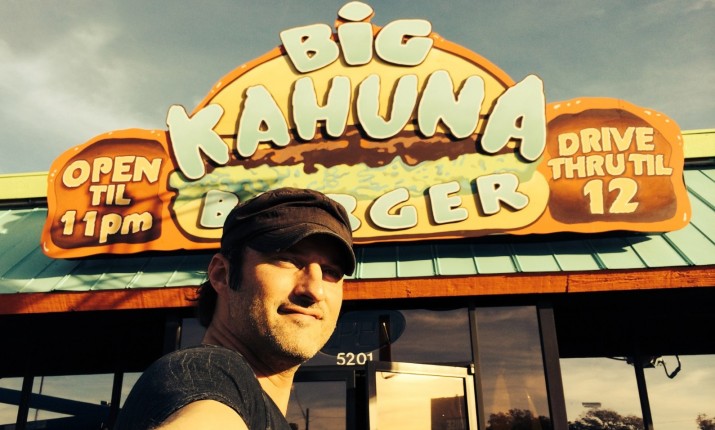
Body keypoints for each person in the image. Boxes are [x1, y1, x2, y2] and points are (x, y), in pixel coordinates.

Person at [115, 187, 356, 430]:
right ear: (222, 274)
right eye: (287, 260)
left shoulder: (256, 406)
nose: (315, 290)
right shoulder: (204, 372)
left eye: (331, 272)